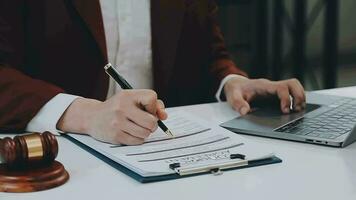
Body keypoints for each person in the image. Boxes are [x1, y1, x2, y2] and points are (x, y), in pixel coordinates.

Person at [0, 0, 305, 145]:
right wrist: (86, 115)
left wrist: (233, 81)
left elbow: (208, 54)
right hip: (56, 157)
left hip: (161, 156)